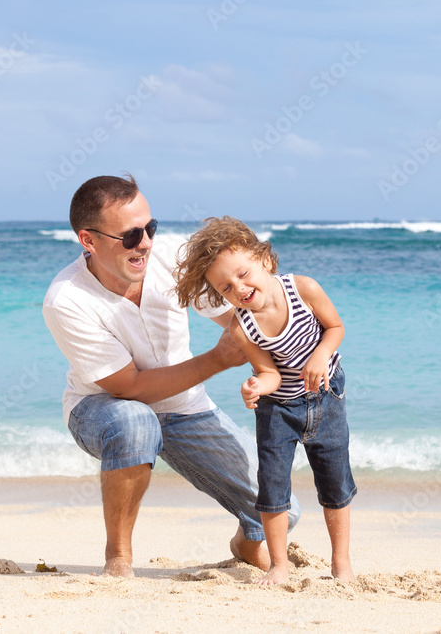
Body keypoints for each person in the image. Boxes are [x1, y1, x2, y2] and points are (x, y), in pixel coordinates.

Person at [42, 175, 300, 578]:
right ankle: (119, 558)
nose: (145, 242)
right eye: (130, 236)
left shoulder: (170, 257)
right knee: (135, 421)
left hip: (185, 407)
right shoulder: (67, 299)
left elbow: (238, 314)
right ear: (88, 241)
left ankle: (245, 542)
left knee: (286, 511)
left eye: (150, 228)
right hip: (104, 409)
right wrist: (217, 360)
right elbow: (128, 387)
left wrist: (286, 360)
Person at [174, 216, 356, 585]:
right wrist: (257, 386)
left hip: (326, 397)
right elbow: (270, 372)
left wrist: (320, 355)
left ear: (265, 260)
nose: (239, 288)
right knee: (272, 485)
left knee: (334, 482)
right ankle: (278, 566)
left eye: (243, 274)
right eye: (226, 287)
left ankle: (342, 564)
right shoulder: (242, 327)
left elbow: (335, 328)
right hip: (279, 409)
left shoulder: (304, 289)